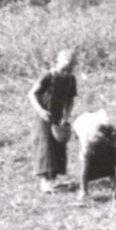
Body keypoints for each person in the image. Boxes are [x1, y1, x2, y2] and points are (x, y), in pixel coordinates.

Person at [30, 49, 78, 193]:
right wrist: (40, 111)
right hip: (44, 116)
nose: (67, 71)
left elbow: (70, 100)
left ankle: (54, 179)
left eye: (70, 68)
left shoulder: (70, 79)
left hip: (58, 117)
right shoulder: (48, 76)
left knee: (58, 145)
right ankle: (44, 182)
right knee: (45, 147)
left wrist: (66, 116)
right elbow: (31, 94)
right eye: (65, 67)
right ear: (58, 62)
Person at [72, 109, 116, 203]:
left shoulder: (106, 124)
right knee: (86, 163)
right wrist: (83, 191)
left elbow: (113, 131)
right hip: (81, 121)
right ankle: (84, 191)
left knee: (108, 157)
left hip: (97, 119)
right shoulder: (85, 145)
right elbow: (84, 169)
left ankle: (115, 187)